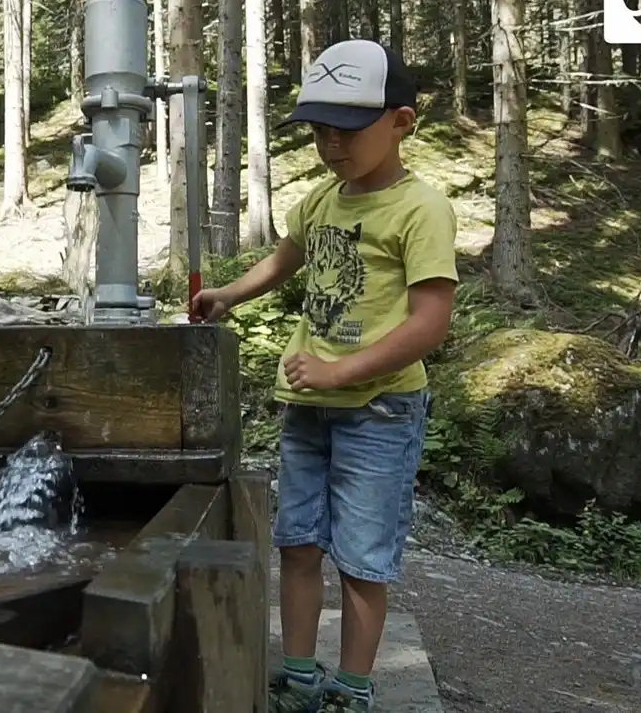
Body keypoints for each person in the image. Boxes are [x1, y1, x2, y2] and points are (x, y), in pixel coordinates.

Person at [191, 39, 458, 713]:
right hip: (309, 405)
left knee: (364, 557)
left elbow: (430, 323)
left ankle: (354, 687)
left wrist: (343, 370)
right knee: (298, 540)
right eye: (318, 131)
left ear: (402, 121)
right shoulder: (321, 200)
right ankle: (302, 671)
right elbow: (283, 262)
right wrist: (228, 294)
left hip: (380, 412)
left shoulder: (420, 210)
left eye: (347, 129)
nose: (331, 145)